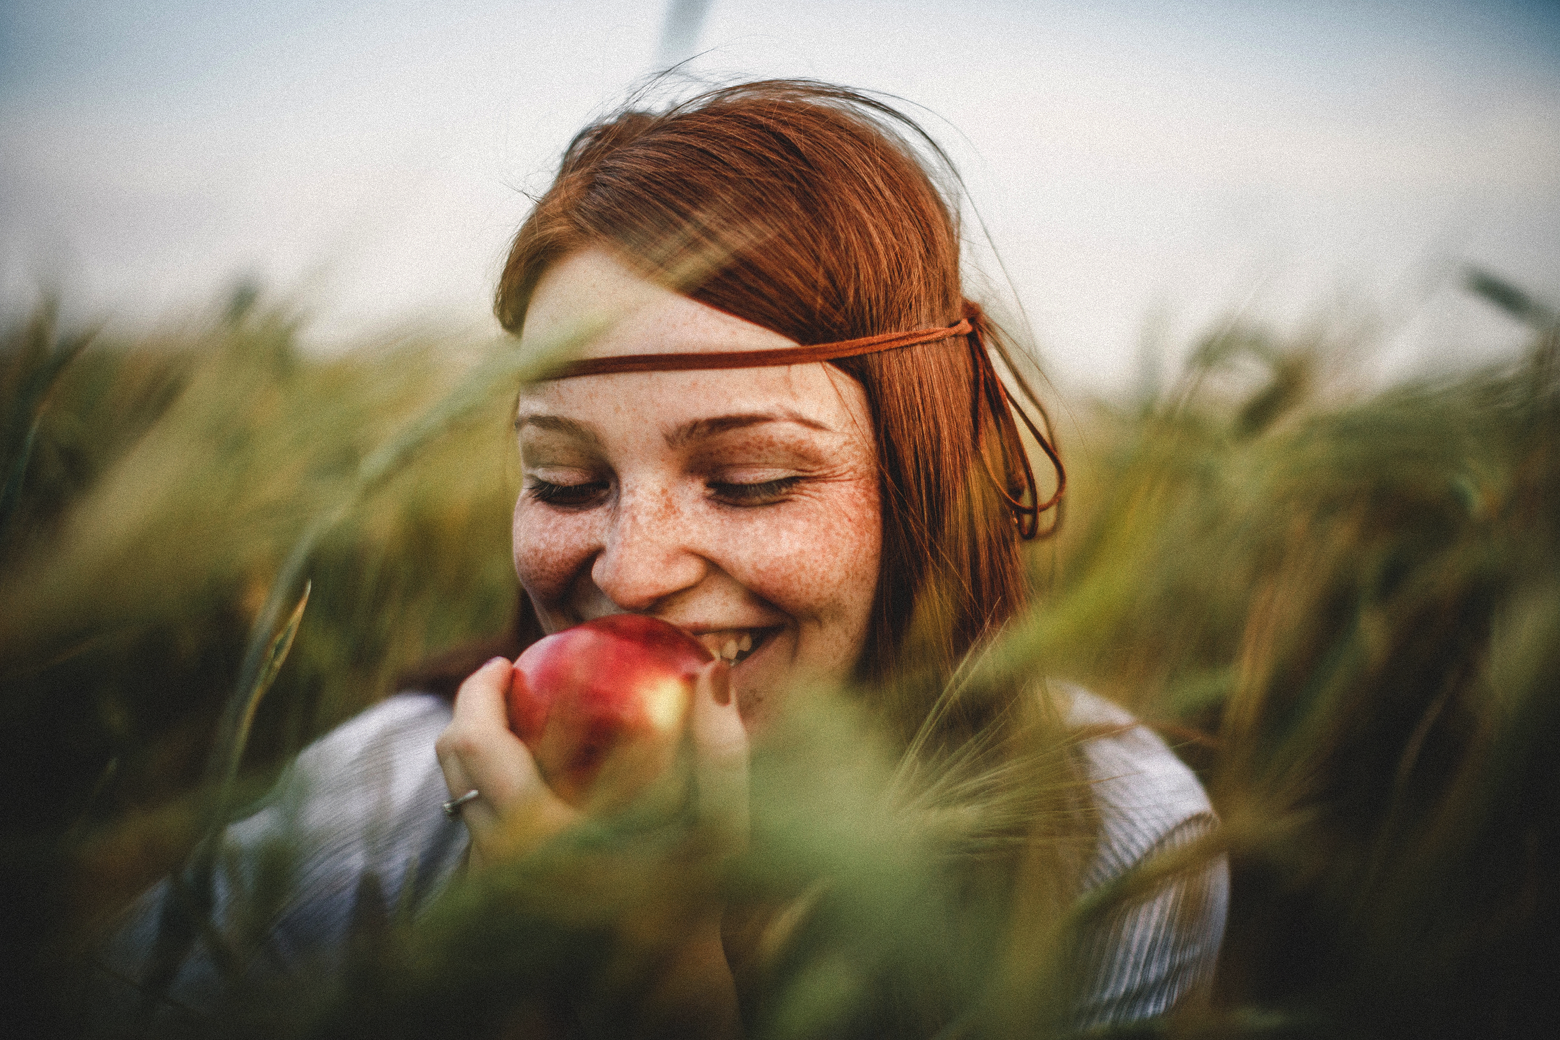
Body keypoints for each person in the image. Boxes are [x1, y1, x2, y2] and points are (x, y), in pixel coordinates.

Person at [92, 80, 1226, 1035]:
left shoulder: (1106, 848)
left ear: (920, 481)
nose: (631, 574)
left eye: (751, 479)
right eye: (564, 478)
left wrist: (660, 983)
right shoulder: (371, 819)